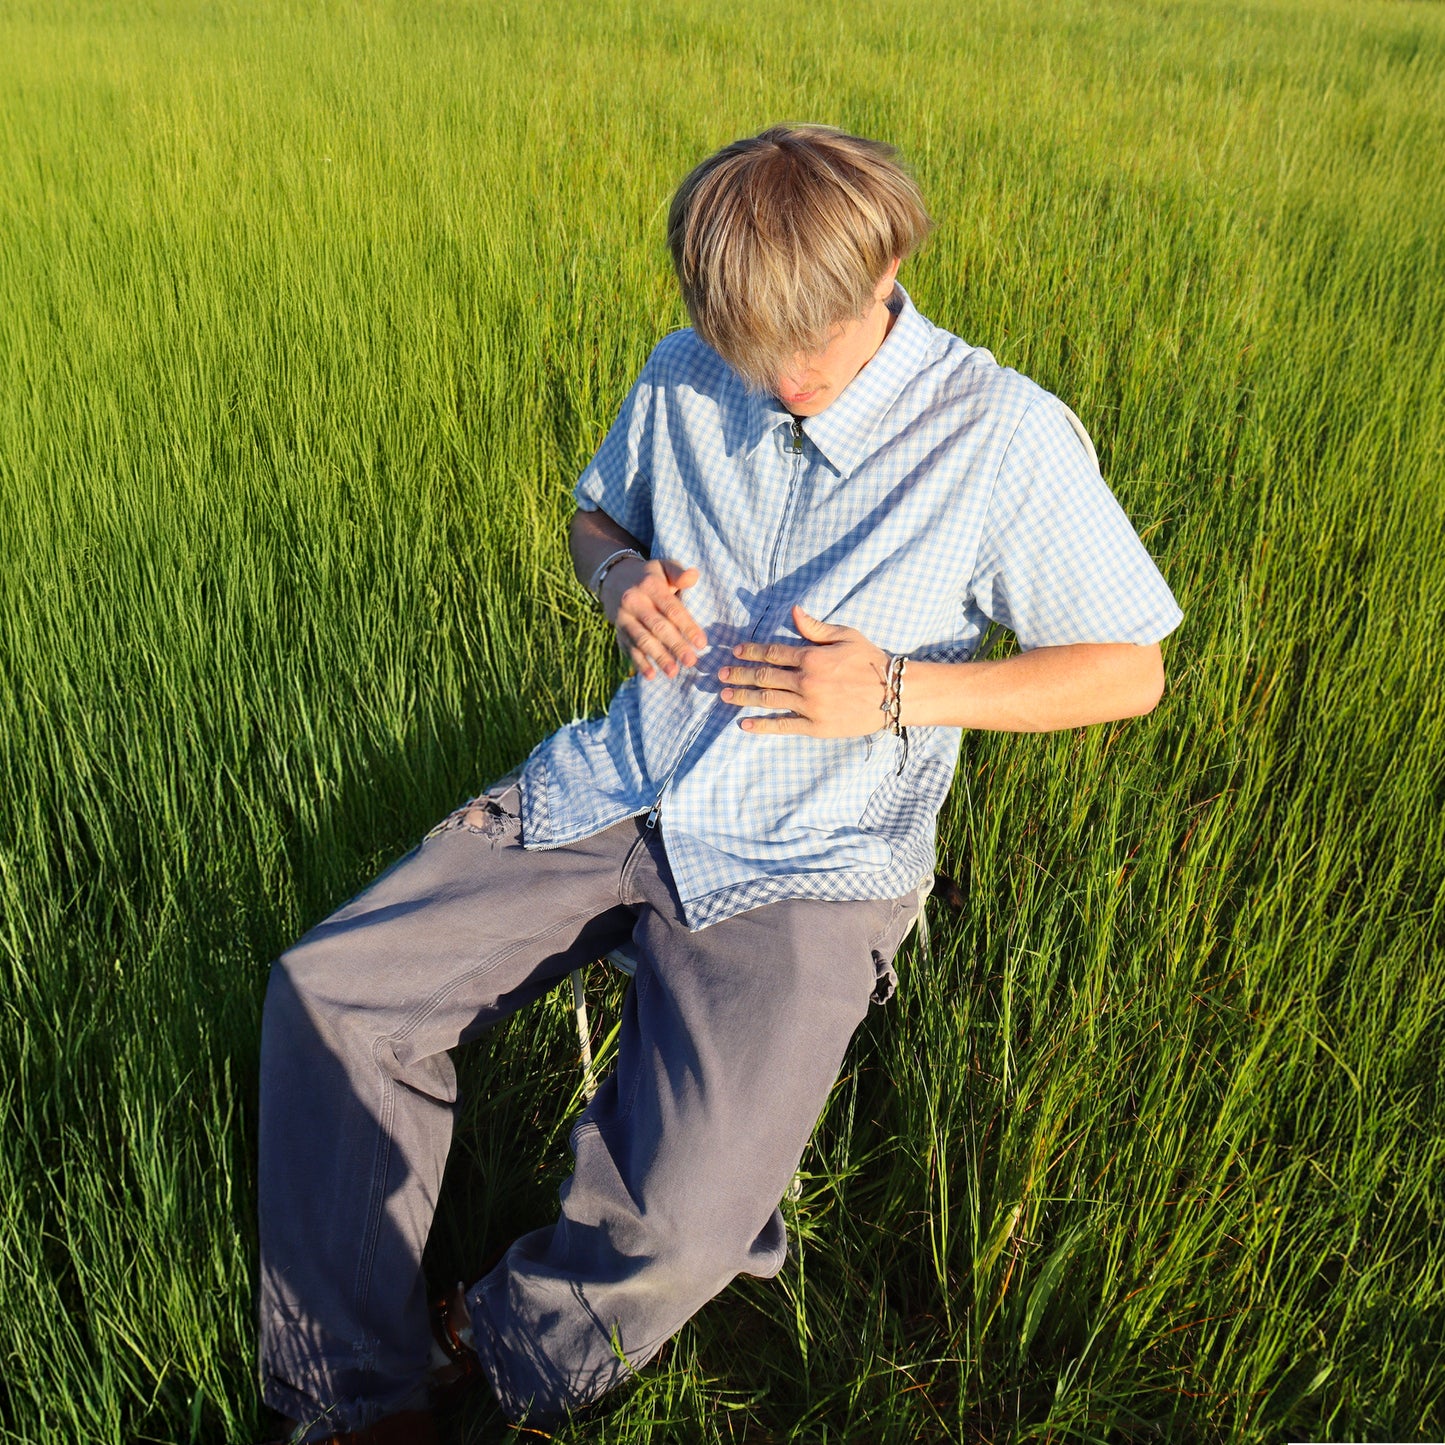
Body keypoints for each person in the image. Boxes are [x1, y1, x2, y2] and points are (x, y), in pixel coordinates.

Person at [256, 123, 1182, 1443]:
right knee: (332, 991)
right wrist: (616, 580)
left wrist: (902, 691)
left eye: (810, 342)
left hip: (810, 858)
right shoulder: (690, 373)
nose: (785, 378)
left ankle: (504, 1353)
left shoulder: (1003, 438)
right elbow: (598, 516)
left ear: (891, 266)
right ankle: (352, 1396)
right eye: (751, 346)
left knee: (682, 1228)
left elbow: (1125, 668)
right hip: (616, 789)